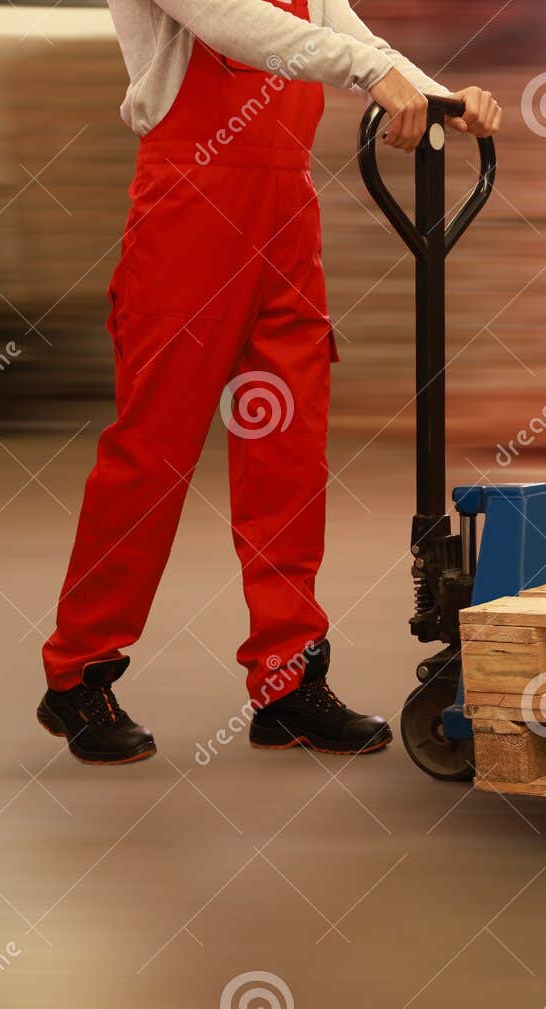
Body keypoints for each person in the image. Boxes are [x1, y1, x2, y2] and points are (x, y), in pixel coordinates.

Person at [37, 0, 502, 765]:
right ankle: (79, 671)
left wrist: (443, 97)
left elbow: (353, 36)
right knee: (152, 452)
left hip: (286, 217)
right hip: (189, 207)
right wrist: (378, 74)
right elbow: (231, 21)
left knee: (287, 448)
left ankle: (288, 684)